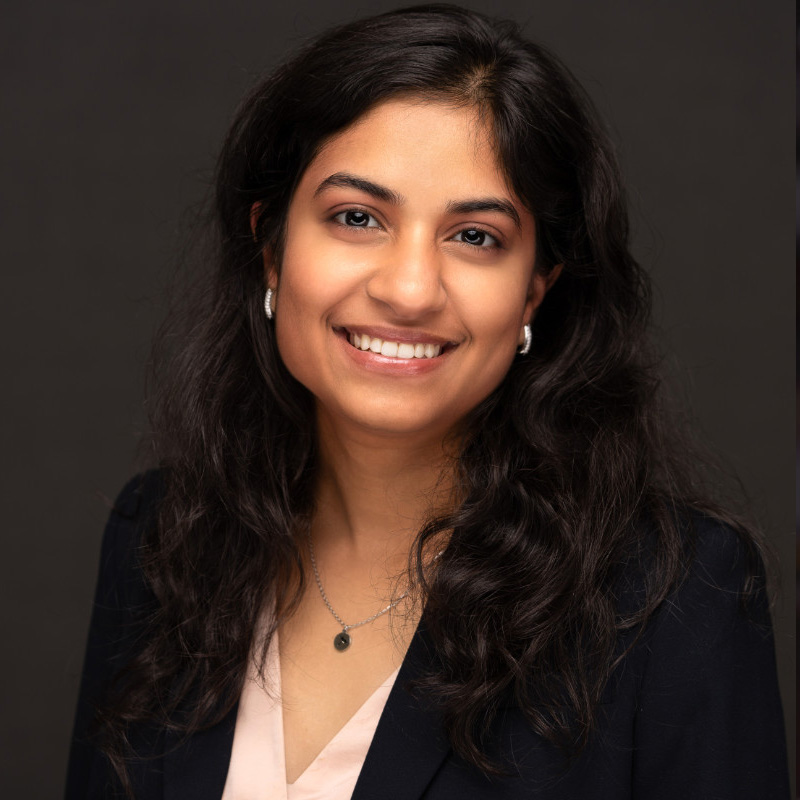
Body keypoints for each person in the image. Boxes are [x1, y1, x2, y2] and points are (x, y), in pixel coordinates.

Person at [64, 5, 789, 799]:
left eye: (475, 236)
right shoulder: (162, 540)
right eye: (356, 218)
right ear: (270, 248)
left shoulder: (675, 604)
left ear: (534, 291)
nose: (409, 289)